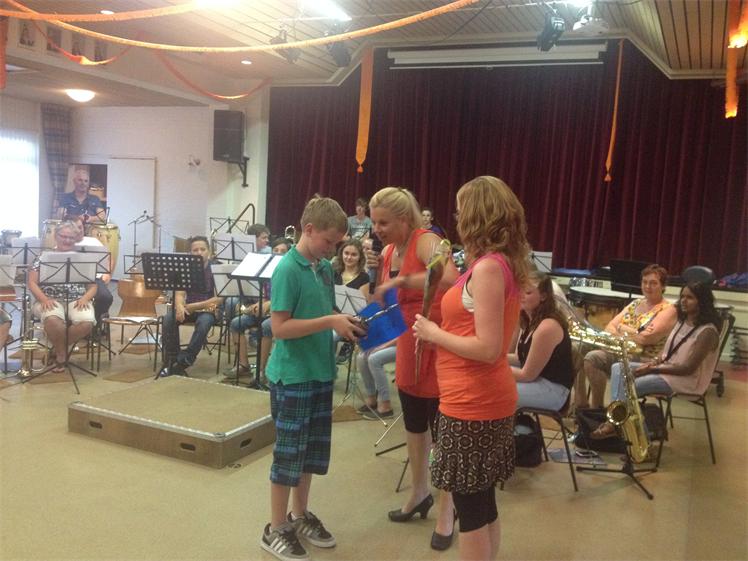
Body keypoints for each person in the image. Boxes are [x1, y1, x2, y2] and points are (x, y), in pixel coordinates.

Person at [413, 176, 530, 561]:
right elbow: (478, 335)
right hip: (476, 398)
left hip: (473, 403)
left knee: (472, 509)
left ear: (478, 216)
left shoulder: (488, 269)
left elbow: (489, 348)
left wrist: (434, 332)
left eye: (462, 211)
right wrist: (441, 336)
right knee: (481, 503)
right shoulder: (492, 265)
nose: (457, 218)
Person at [260, 196, 364, 561]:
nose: (333, 250)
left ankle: (299, 515)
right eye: (329, 242)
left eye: (337, 243)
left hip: (319, 371)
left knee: (309, 454)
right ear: (308, 230)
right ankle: (275, 528)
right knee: (288, 456)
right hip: (292, 376)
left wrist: (344, 320)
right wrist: (330, 321)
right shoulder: (288, 269)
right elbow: (280, 327)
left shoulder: (321, 268)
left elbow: (323, 311)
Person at [368, 186, 459, 550]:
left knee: (442, 430)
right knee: (414, 423)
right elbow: (389, 299)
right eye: (374, 222)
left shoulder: (426, 240)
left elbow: (449, 279)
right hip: (408, 342)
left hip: (436, 342)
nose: (376, 229)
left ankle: (448, 508)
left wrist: (402, 280)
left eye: (383, 223)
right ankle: (420, 492)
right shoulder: (389, 251)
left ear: (404, 219)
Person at [591, 282, 722, 439]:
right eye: (682, 296)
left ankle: (628, 431)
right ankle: (621, 425)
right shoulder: (682, 321)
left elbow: (688, 368)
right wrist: (653, 363)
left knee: (630, 387)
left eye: (690, 298)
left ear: (702, 301)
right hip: (666, 370)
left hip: (686, 380)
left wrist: (652, 369)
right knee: (618, 368)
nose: (683, 301)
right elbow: (667, 353)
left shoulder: (707, 332)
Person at [581, 264, 677, 408]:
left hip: (643, 358)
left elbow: (645, 339)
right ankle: (581, 404)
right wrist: (631, 331)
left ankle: (597, 408)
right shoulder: (635, 303)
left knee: (593, 358)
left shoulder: (668, 309)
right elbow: (609, 328)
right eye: (645, 282)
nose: (648, 286)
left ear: (663, 286)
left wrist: (621, 327)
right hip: (621, 350)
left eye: (653, 283)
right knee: (579, 348)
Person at [27, 221, 96, 372]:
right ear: (55, 236)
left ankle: (56, 350)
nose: (67, 240)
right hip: (48, 298)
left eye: (71, 237)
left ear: (76, 238)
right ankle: (61, 355)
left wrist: (85, 298)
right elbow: (32, 282)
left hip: (78, 299)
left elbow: (93, 286)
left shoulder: (83, 258)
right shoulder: (43, 257)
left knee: (86, 323)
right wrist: (44, 299)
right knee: (53, 320)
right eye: (63, 236)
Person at [509, 271, 575, 411]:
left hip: (553, 390)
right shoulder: (529, 320)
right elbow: (519, 358)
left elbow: (527, 375)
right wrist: (491, 359)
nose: (521, 295)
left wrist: (495, 370)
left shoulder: (547, 326)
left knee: (493, 389)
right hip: (538, 380)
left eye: (527, 292)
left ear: (543, 296)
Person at [228, 237, 291, 378]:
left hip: (280, 312)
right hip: (265, 309)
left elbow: (288, 298)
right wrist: (255, 305)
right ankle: (243, 365)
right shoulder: (265, 269)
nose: (278, 253)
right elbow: (260, 294)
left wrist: (269, 304)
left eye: (283, 251)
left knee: (266, 326)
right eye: (275, 250)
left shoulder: (289, 272)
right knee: (236, 323)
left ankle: (262, 370)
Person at [160, 236, 222, 376]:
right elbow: (180, 293)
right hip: (189, 308)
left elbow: (219, 298)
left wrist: (194, 306)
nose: (199, 252)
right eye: (195, 250)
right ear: (190, 253)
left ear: (209, 251)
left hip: (209, 310)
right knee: (169, 319)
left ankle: (185, 360)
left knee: (204, 323)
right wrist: (179, 306)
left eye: (202, 249)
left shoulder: (217, 268)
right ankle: (172, 359)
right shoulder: (186, 268)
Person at [70, 217, 113, 326]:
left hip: (94, 278)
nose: (79, 230)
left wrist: (107, 273)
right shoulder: (63, 243)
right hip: (72, 280)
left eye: (80, 227)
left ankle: (95, 325)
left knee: (106, 297)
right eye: (75, 228)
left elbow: (109, 258)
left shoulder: (93, 241)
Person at [355, 341, 396, 420]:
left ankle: (386, 406)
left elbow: (401, 337)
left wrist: (382, 346)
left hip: (405, 345)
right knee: (361, 357)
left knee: (374, 359)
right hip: (390, 342)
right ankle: (372, 399)